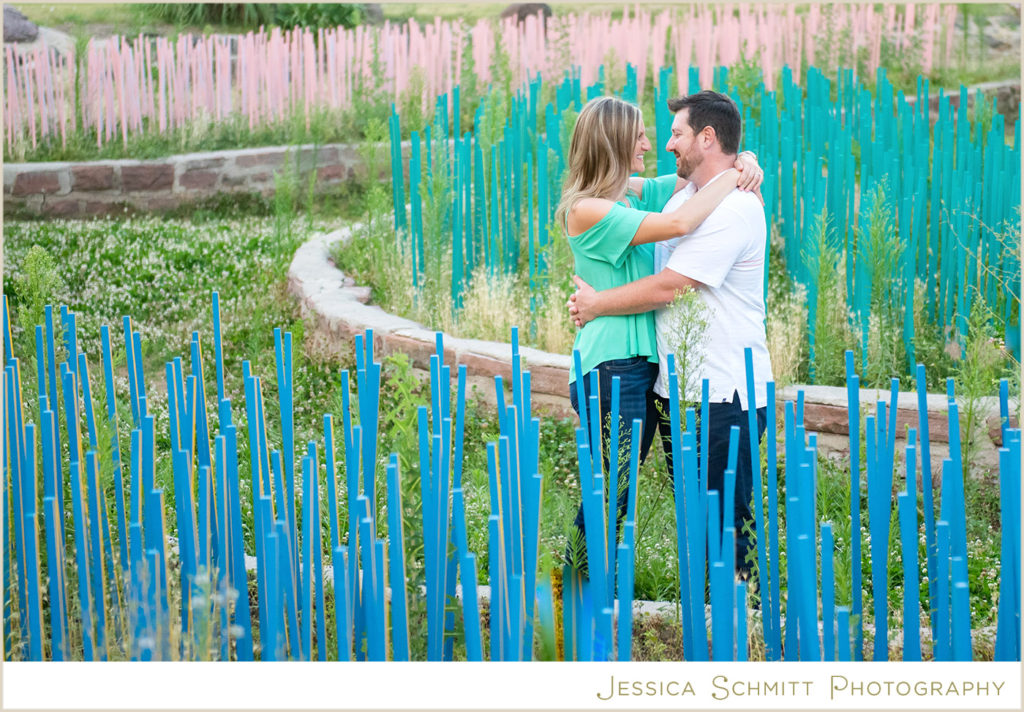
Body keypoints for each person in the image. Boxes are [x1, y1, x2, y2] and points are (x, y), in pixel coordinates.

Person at [569, 90, 773, 575]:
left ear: (706, 137)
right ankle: (571, 602)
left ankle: (734, 616)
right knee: (609, 499)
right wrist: (732, 171)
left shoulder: (684, 198)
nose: (656, 144)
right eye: (640, 136)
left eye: (673, 134)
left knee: (716, 522)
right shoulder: (596, 207)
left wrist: (743, 161)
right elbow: (680, 224)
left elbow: (672, 281)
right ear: (614, 144)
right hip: (616, 369)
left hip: (700, 384)